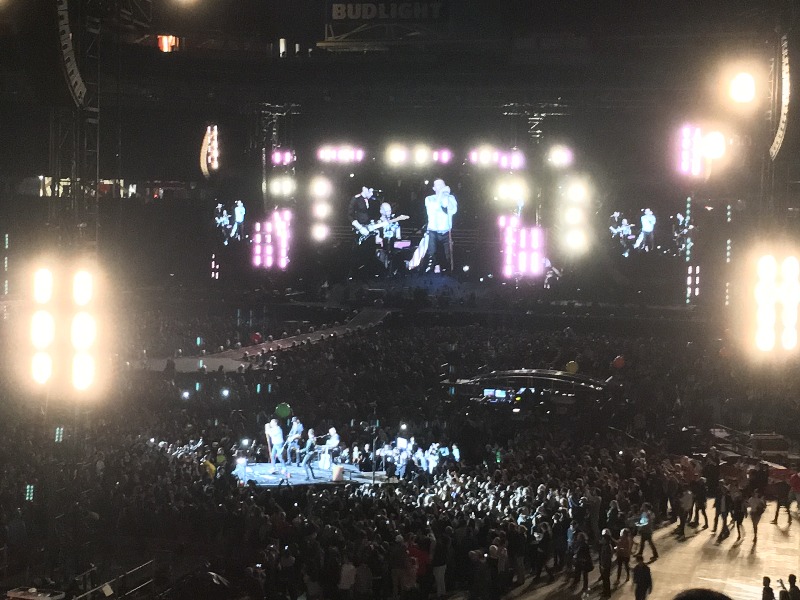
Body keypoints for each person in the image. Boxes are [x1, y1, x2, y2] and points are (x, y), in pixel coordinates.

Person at [424, 179, 458, 273]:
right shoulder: (429, 199)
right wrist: (440, 194)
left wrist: (446, 196)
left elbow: (453, 210)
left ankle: (448, 272)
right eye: (438, 185)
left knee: (448, 256)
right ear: (434, 188)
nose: (441, 187)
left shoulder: (450, 197)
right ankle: (430, 271)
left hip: (446, 231)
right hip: (433, 231)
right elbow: (434, 208)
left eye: (442, 184)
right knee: (432, 254)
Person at [348, 186, 378, 278]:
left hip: (369, 230)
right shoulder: (356, 199)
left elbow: (374, 215)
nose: (372, 194)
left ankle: (369, 273)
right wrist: (360, 227)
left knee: (370, 251)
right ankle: (353, 274)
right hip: (359, 229)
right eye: (370, 192)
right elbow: (350, 215)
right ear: (364, 189)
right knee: (357, 252)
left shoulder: (372, 201)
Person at [376, 202, 402, 273]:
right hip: (381, 247)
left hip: (392, 245)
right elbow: (377, 238)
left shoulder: (394, 222)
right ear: (381, 211)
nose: (389, 213)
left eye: (390, 211)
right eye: (387, 211)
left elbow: (398, 236)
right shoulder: (378, 222)